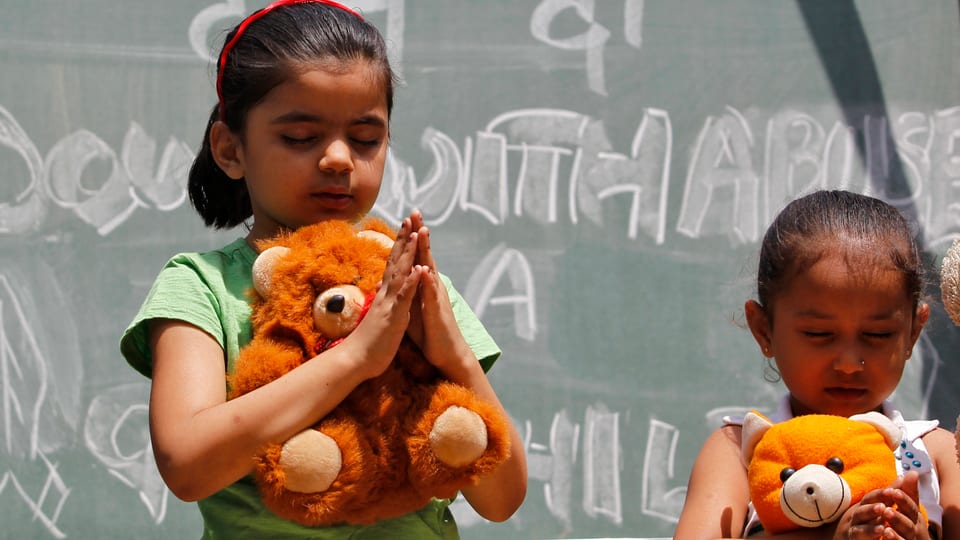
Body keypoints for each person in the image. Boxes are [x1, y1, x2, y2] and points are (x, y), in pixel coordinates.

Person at [119, 1, 527, 538]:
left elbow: (501, 499)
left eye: (365, 139)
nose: (338, 159)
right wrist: (357, 358)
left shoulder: (414, 286)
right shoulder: (200, 287)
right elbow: (187, 464)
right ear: (229, 148)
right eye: (300, 137)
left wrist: (453, 357)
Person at [673, 190, 960, 539]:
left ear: (913, 333)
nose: (850, 363)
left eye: (879, 334)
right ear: (764, 330)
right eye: (818, 333)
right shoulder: (739, 451)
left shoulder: (937, 452)